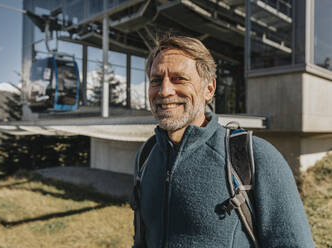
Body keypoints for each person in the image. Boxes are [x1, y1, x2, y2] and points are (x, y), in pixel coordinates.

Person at [132, 36, 314, 248]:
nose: (164, 91)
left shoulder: (255, 157)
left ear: (209, 89)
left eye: (179, 79)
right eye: (156, 80)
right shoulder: (145, 157)